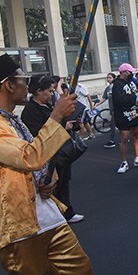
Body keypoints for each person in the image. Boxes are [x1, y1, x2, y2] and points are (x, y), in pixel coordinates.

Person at [0, 54, 105, 275]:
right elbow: (29, 157)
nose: (27, 85)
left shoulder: (10, 120)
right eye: (23, 79)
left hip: (48, 217)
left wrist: (45, 181)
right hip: (18, 228)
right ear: (7, 85)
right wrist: (56, 116)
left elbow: (30, 166)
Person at [21, 75, 84, 224]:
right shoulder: (30, 111)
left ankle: (66, 211)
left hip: (61, 151)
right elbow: (35, 135)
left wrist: (73, 123)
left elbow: (62, 123)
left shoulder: (50, 106)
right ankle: (57, 215)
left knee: (64, 181)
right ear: (38, 91)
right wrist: (62, 125)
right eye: (49, 91)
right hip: (47, 155)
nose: (51, 94)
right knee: (52, 185)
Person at [112, 63, 138, 174]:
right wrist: (132, 98)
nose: (131, 74)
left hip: (134, 113)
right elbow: (118, 100)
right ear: (123, 72)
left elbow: (137, 95)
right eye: (129, 71)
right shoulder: (117, 85)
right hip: (123, 115)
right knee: (125, 137)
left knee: (136, 134)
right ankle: (124, 161)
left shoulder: (132, 83)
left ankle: (137, 158)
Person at [97, 72, 117, 148]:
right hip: (112, 109)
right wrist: (97, 105)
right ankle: (125, 138)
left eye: (110, 77)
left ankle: (112, 141)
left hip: (117, 109)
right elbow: (104, 98)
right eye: (107, 78)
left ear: (114, 78)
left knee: (112, 125)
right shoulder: (108, 88)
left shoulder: (116, 86)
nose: (108, 79)